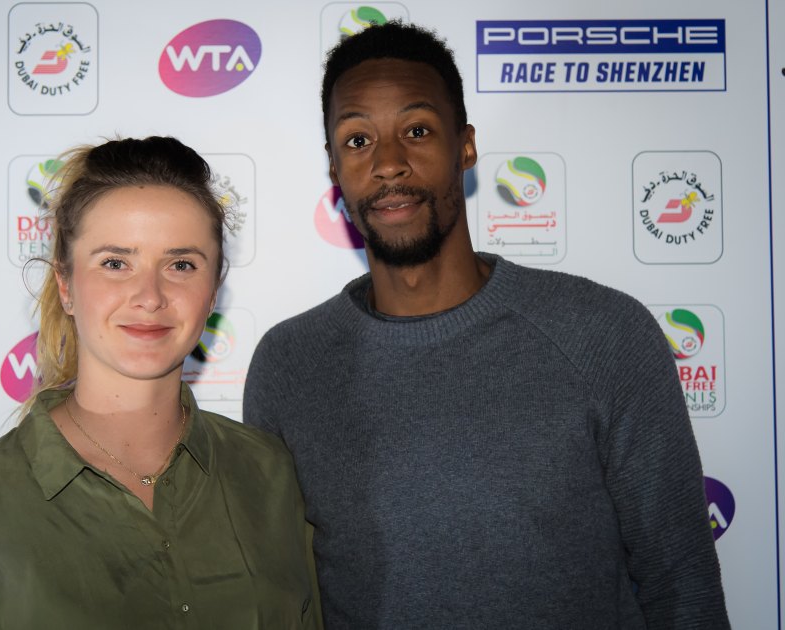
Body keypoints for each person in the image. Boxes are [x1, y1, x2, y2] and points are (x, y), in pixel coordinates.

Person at [243, 22, 728, 629]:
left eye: (416, 131)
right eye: (358, 139)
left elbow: (681, 583)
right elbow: (279, 592)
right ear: (335, 169)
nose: (388, 163)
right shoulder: (289, 363)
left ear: (465, 146)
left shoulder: (603, 333)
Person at [0, 136, 321, 629]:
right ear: (66, 285)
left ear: (213, 289)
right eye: (115, 263)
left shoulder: (269, 474)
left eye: (181, 265)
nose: (149, 296)